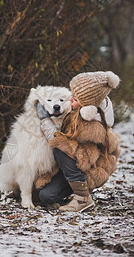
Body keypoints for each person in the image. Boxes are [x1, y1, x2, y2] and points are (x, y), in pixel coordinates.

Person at [35, 71, 121, 212]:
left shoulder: (91, 125)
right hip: (77, 167)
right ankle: (77, 188)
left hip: (89, 170)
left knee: (60, 148)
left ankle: (82, 198)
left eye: (74, 99)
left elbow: (58, 141)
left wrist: (45, 120)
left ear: (87, 105)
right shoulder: (89, 108)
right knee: (46, 196)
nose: (70, 100)